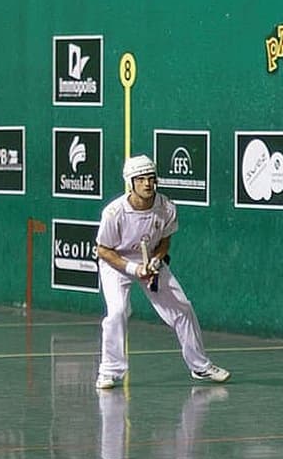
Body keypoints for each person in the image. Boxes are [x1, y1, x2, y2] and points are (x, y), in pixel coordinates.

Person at [94, 154, 230, 389]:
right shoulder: (114, 213)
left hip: (151, 264)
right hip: (118, 263)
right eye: (141, 179)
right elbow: (103, 250)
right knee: (116, 313)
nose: (148, 184)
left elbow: (165, 241)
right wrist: (133, 268)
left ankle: (200, 366)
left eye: (151, 178)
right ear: (131, 182)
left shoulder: (166, 207)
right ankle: (109, 371)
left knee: (183, 308)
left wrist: (156, 261)